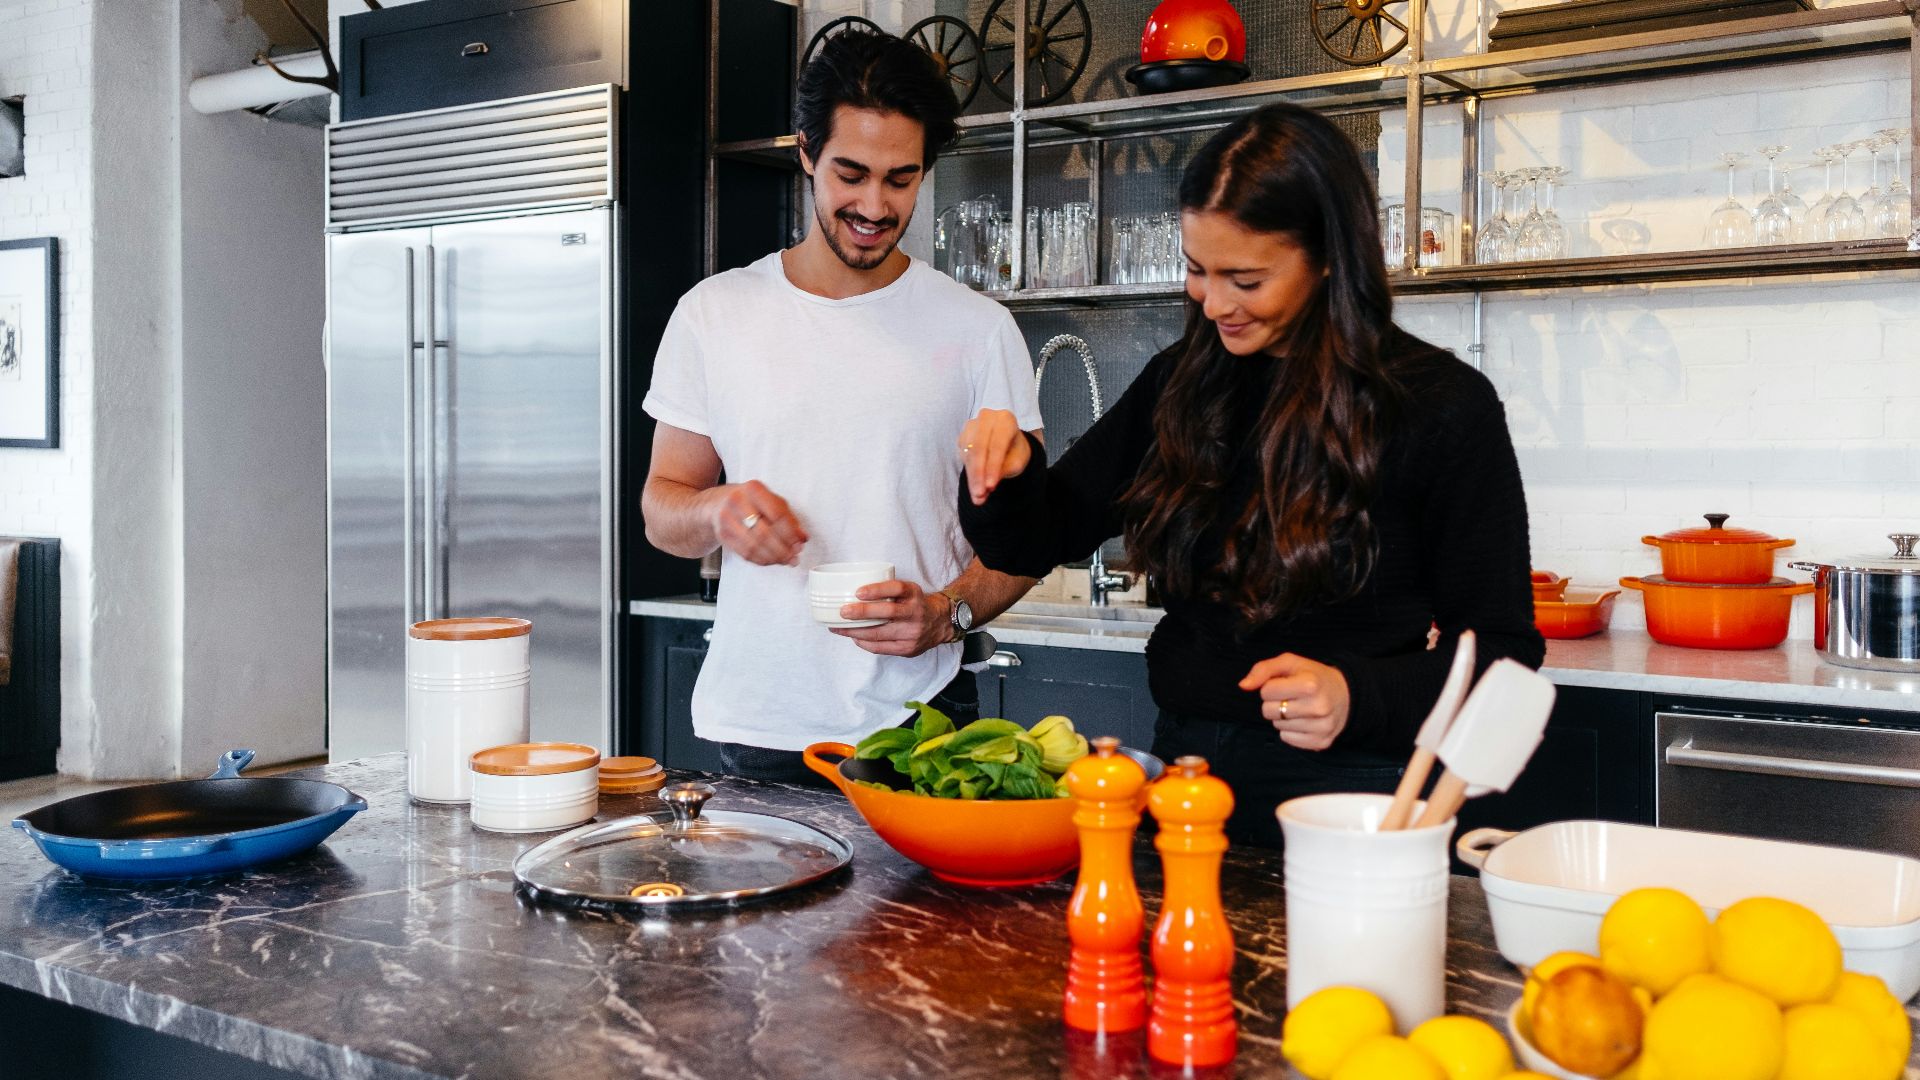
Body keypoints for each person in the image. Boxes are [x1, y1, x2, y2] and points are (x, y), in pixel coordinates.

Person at [955, 103, 1545, 846]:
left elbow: (1503, 651)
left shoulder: (1441, 405)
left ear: (1329, 257)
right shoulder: (1180, 383)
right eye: (1197, 271)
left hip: (1354, 794)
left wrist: (1357, 694)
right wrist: (1007, 475)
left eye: (1245, 278)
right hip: (1186, 781)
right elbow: (1038, 538)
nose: (1214, 303)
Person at [640, 30, 1044, 784]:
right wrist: (717, 511)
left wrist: (948, 613)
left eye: (901, 179)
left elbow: (1031, 535)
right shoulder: (714, 313)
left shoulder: (978, 329)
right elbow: (662, 510)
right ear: (806, 152)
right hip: (759, 723)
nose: (874, 206)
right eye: (850, 174)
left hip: (922, 723)